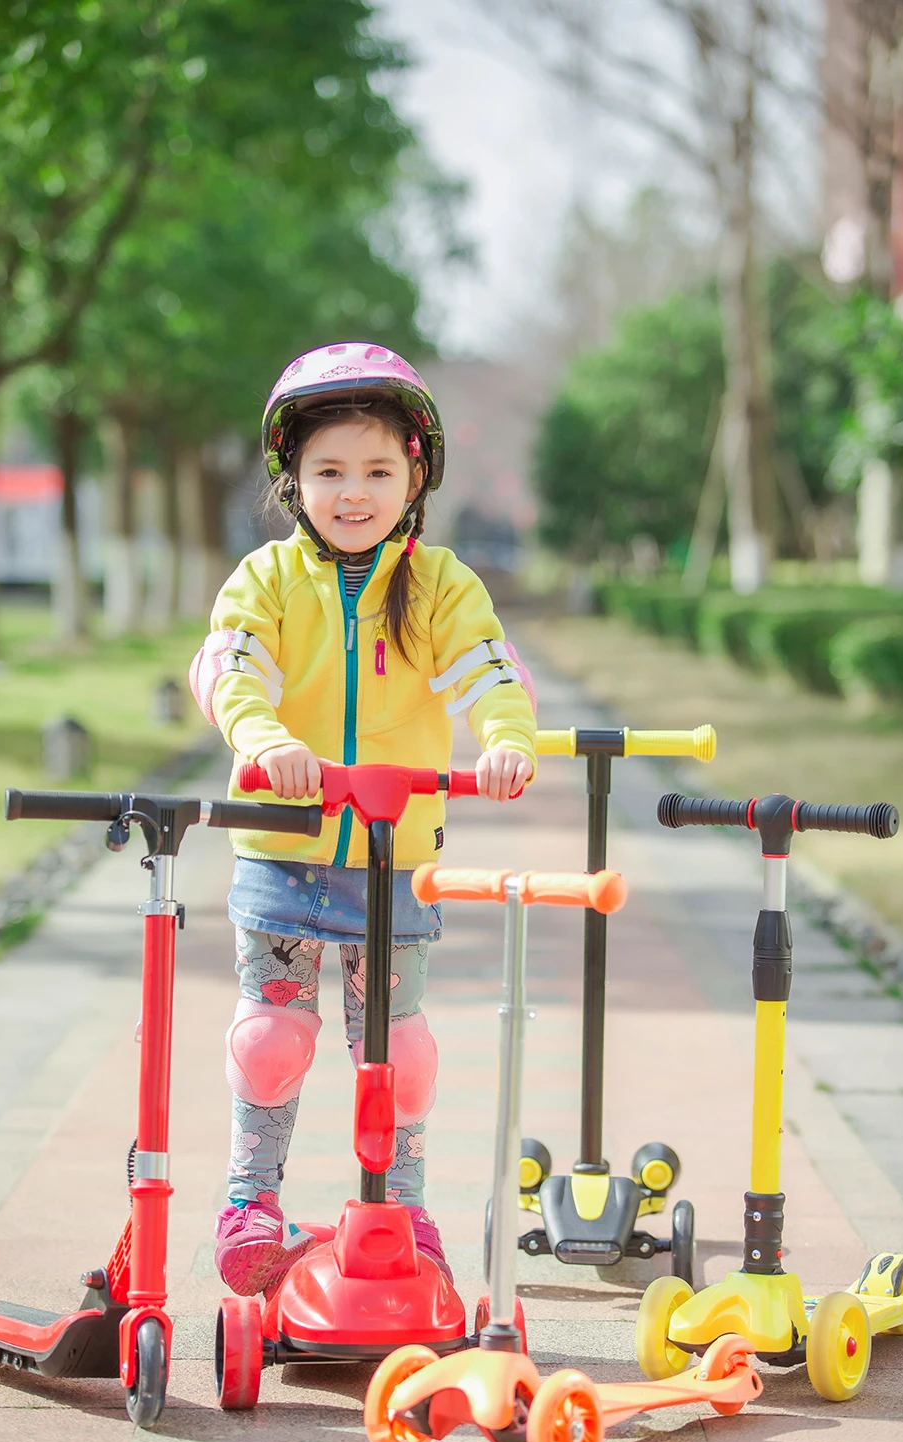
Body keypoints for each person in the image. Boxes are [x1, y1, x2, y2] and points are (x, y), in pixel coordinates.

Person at [190, 343, 537, 1297]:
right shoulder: (265, 578)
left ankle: (404, 1209)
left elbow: (489, 669)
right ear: (293, 481)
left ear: (414, 479)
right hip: (284, 850)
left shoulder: (440, 584)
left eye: (378, 471)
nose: (354, 492)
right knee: (273, 1038)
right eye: (330, 471)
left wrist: (505, 741)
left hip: (395, 855)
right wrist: (265, 738)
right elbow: (229, 666)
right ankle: (251, 1202)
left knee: (400, 1050)